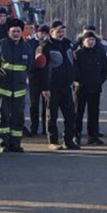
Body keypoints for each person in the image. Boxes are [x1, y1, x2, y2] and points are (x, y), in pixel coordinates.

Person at [0, 17, 40, 153]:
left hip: (19, 90)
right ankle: (2, 142)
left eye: (18, 31)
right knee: (3, 116)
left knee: (18, 117)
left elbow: (29, 66)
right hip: (2, 88)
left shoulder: (27, 47)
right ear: (8, 32)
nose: (16, 34)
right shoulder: (0, 45)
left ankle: (16, 143)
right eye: (13, 31)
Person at [38, 20, 79, 150]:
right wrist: (45, 87)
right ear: (51, 32)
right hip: (52, 87)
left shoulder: (68, 44)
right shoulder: (45, 46)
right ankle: (53, 141)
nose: (61, 34)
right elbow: (42, 69)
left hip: (67, 86)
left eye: (62, 31)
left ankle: (68, 141)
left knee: (70, 115)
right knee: (52, 115)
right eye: (58, 31)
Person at [74, 27, 107, 145]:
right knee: (78, 112)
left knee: (94, 113)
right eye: (88, 40)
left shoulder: (100, 53)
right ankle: (76, 135)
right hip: (81, 88)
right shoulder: (78, 54)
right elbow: (75, 71)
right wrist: (80, 81)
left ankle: (93, 136)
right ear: (83, 41)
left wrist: (99, 81)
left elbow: (104, 69)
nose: (90, 42)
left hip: (95, 87)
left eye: (93, 40)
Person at [26, 24, 50, 136]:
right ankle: (33, 128)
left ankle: (46, 129)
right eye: (41, 32)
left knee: (47, 105)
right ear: (37, 32)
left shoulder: (49, 45)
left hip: (46, 77)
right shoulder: (30, 43)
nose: (43, 35)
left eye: (45, 33)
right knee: (34, 104)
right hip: (33, 77)